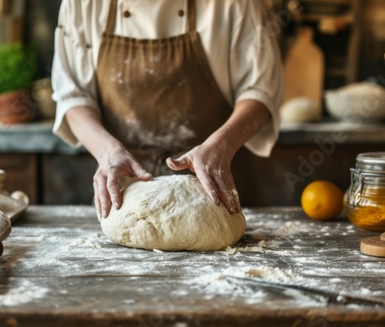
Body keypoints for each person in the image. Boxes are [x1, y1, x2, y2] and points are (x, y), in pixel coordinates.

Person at [52, 0, 283, 220]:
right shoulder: (82, 5)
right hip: (127, 195)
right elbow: (72, 95)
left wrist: (222, 145)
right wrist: (106, 152)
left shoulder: (235, 4)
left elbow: (261, 91)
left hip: (218, 188)